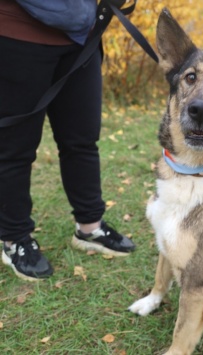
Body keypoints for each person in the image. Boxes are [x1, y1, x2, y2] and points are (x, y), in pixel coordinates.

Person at [0, 0, 136, 282]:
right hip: (17, 33)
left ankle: (90, 227)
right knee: (15, 148)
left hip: (80, 37)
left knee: (82, 140)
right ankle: (14, 239)